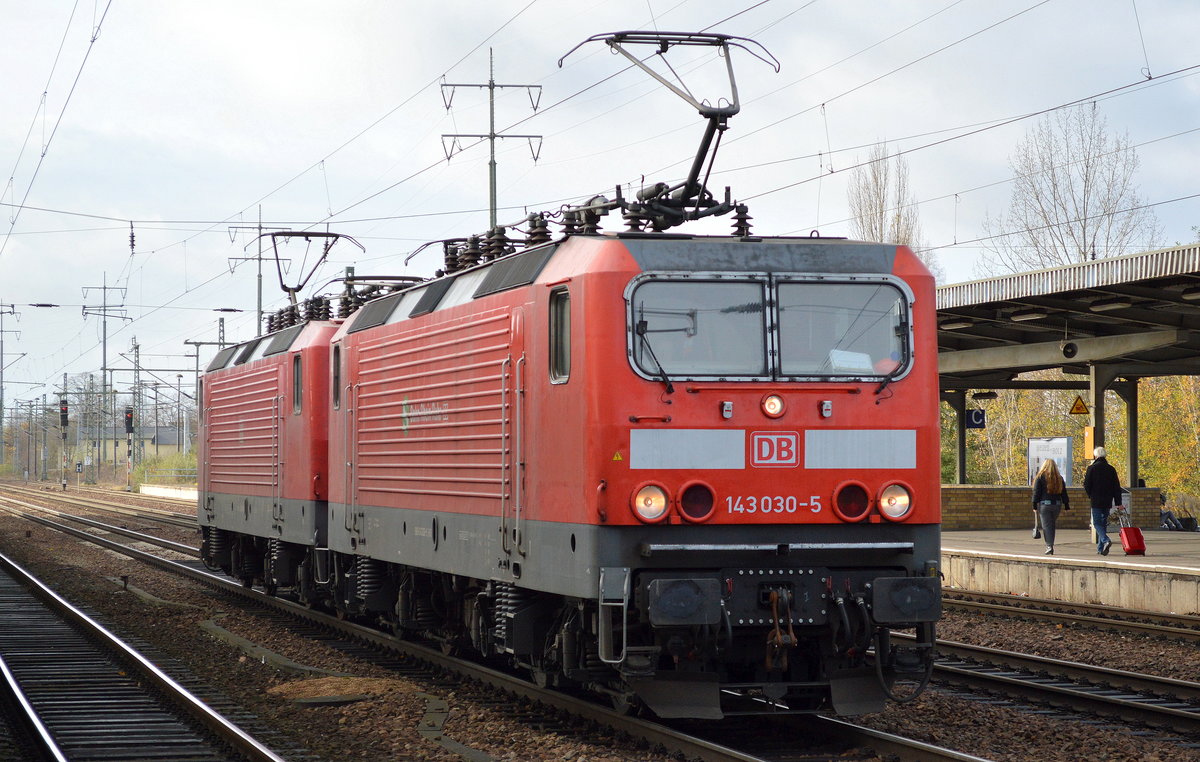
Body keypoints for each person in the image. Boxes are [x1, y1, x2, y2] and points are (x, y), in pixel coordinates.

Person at [1083, 446, 1121, 555]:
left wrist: (1090, 494)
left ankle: (1105, 540)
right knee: (1103, 523)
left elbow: (1086, 484)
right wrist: (1118, 502)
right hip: (1108, 500)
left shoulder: (1092, 468)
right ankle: (1100, 549)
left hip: (1096, 499)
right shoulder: (1111, 469)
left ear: (1095, 455)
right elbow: (1116, 487)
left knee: (1096, 523)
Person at [1031, 459, 1070, 555]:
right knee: (1051, 525)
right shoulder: (1059, 478)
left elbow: (1036, 492)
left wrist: (1034, 505)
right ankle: (1050, 544)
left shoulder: (1040, 477)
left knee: (1047, 526)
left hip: (1045, 505)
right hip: (1057, 505)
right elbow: (1063, 492)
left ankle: (1049, 546)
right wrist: (1066, 505)